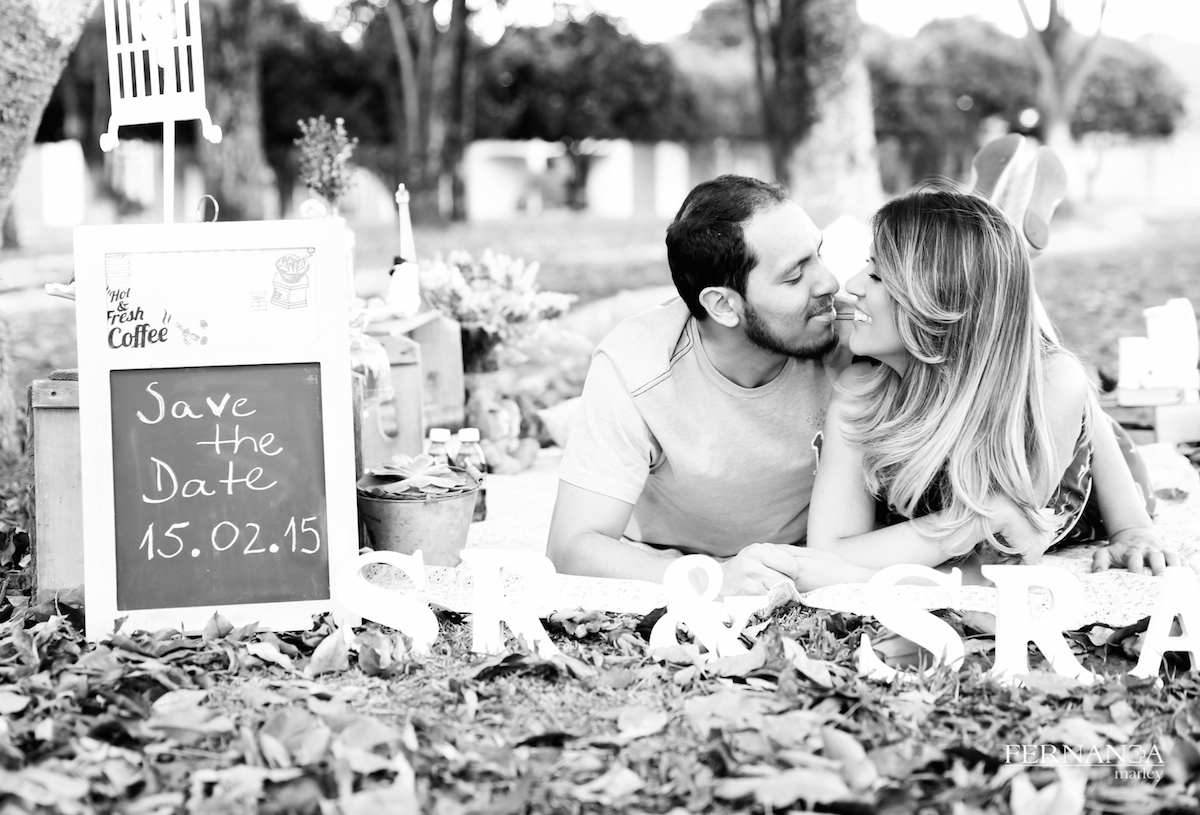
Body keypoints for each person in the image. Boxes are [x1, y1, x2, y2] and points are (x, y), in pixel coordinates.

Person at [800, 186, 1184, 589]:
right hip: (975, 384)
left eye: (877, 275)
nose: (852, 284)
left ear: (935, 302)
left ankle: (1003, 250)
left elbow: (991, 564)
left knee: (1059, 375)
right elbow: (826, 553)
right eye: (867, 265)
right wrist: (979, 518)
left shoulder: (1051, 386)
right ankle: (1001, 243)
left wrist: (1132, 526)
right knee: (1017, 339)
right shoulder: (862, 388)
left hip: (1073, 477)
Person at [546, 175, 851, 596]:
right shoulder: (636, 367)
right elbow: (572, 549)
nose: (830, 283)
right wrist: (714, 579)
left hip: (812, 566)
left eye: (818, 255)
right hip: (665, 565)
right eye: (795, 276)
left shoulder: (855, 338)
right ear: (723, 305)